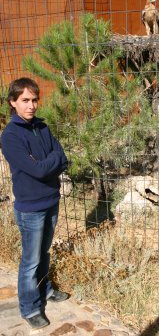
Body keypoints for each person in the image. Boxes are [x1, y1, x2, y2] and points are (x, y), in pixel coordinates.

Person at [1, 78, 69, 330]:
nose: (31, 106)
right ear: (13, 103)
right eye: (25, 101)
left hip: (51, 199)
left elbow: (62, 156)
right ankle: (30, 307)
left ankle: (45, 289)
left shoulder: (42, 127)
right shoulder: (9, 136)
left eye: (34, 100)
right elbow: (36, 170)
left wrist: (49, 163)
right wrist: (51, 162)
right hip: (30, 207)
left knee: (44, 253)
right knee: (30, 260)